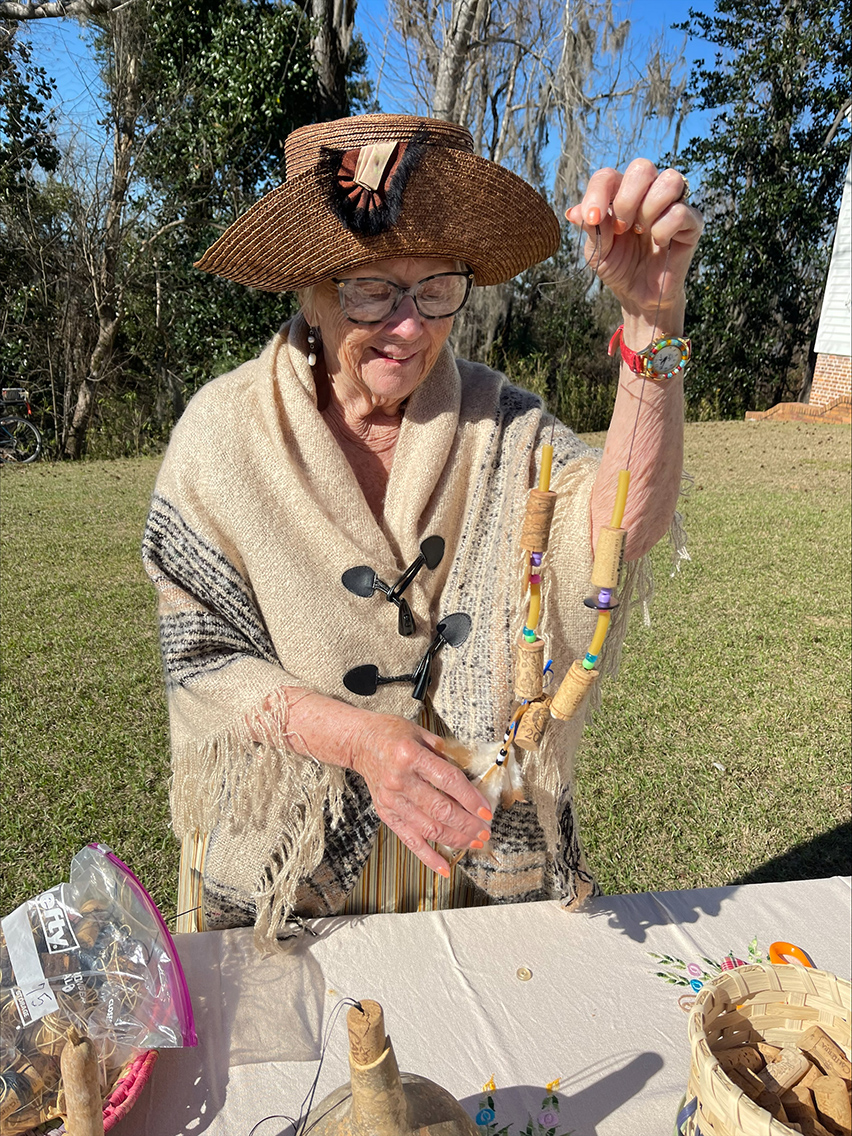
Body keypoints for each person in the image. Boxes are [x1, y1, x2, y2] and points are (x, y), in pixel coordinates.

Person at [142, 114, 702, 947]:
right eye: (372, 289)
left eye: (437, 289)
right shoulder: (221, 436)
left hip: (476, 848)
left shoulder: (503, 423)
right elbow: (203, 658)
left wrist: (653, 320)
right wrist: (360, 739)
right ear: (311, 289)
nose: (409, 327)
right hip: (284, 861)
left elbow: (618, 531)